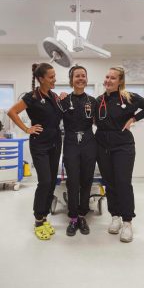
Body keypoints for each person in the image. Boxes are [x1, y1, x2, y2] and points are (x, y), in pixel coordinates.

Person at [95, 67, 144, 243]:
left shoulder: (129, 97)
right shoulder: (99, 100)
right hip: (102, 146)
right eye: (107, 76)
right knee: (109, 183)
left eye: (113, 78)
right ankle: (115, 216)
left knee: (123, 182)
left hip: (123, 146)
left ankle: (127, 222)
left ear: (120, 81)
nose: (108, 80)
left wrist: (134, 119)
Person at [7, 63, 62, 240]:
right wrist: (26, 128)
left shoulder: (53, 96)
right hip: (40, 144)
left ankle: (45, 216)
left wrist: (62, 99)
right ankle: (38, 219)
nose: (55, 79)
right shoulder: (31, 97)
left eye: (55, 76)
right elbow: (12, 112)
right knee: (45, 181)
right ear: (41, 79)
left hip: (55, 143)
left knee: (52, 181)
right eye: (51, 77)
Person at [59, 65, 97, 236]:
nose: (81, 78)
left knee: (87, 181)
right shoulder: (64, 101)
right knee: (73, 182)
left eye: (83, 75)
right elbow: (51, 118)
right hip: (71, 143)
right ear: (71, 80)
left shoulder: (93, 101)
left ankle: (82, 216)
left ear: (86, 79)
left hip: (89, 143)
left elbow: (100, 123)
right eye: (77, 76)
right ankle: (73, 218)